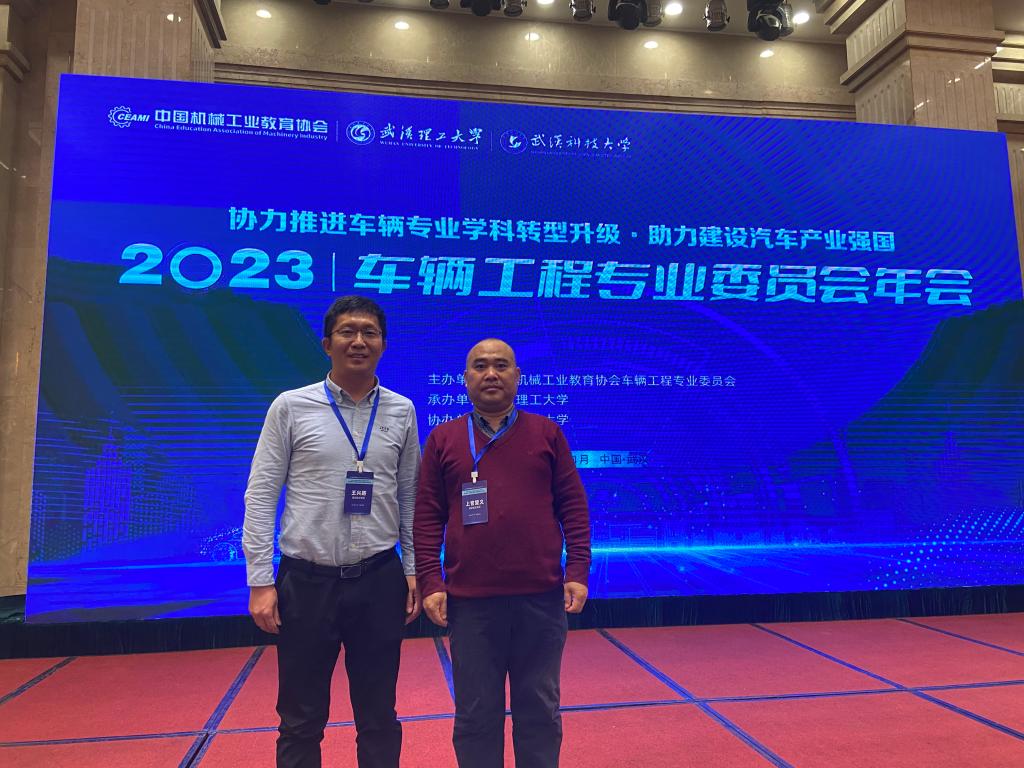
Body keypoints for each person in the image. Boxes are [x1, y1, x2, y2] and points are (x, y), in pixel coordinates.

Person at [242, 295, 421, 768]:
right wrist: (260, 581)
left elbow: (410, 496)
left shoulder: (402, 410)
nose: (359, 341)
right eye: (347, 332)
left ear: (383, 344)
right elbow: (261, 495)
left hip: (379, 578)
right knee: (300, 719)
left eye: (369, 332)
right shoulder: (290, 407)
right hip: (306, 582)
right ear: (327, 344)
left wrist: (413, 569)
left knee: (379, 716)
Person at [414, 338, 591, 768]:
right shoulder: (443, 438)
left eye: (501, 365)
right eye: (480, 366)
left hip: (540, 601)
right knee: (475, 716)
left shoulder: (547, 433)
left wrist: (578, 571)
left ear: (517, 376)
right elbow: (427, 517)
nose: (491, 374)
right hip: (471, 605)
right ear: (465, 378)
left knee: (540, 712)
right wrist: (431, 581)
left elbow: (573, 506)